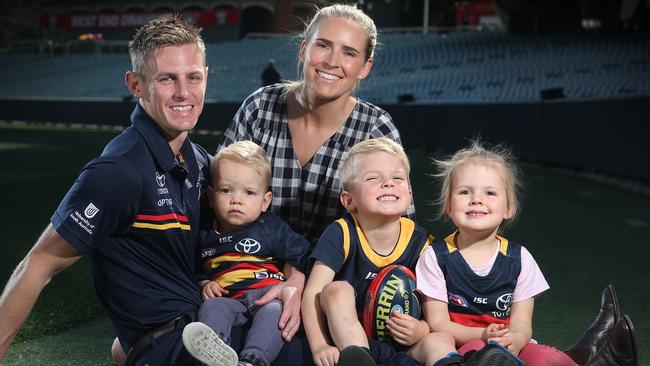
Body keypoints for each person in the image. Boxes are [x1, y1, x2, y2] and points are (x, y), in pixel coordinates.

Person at [0, 14, 263, 366]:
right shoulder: (119, 171)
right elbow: (40, 262)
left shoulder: (198, 160)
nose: (184, 92)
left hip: (210, 327)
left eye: (193, 77)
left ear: (206, 79)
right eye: (167, 79)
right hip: (172, 349)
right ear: (136, 85)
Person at [415, 140, 639, 366]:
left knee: (547, 356)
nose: (477, 199)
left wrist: (517, 338)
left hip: (512, 345)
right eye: (464, 192)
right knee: (481, 354)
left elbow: (522, 322)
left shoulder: (519, 258)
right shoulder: (436, 257)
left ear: (509, 208)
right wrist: (483, 336)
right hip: (463, 349)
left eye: (490, 192)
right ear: (448, 207)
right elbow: (439, 324)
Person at [302, 138, 523, 366]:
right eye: (373, 178)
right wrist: (320, 345)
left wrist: (420, 330)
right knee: (335, 290)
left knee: (439, 338)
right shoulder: (341, 233)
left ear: (409, 194)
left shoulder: (423, 244)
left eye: (397, 178)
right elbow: (313, 295)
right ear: (349, 200)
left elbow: (435, 313)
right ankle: (360, 358)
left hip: (406, 347)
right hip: (352, 345)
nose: (388, 183)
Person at [219, 3, 415, 247]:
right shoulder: (260, 107)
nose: (332, 61)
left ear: (365, 67)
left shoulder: (375, 129)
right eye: (323, 45)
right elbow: (216, 193)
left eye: (349, 53)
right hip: (250, 267)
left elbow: (398, 222)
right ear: (304, 50)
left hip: (337, 276)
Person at [181, 140, 311, 366]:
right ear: (211, 197)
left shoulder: (269, 227)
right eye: (226, 190)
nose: (236, 200)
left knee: (274, 311)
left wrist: (292, 279)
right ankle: (215, 355)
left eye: (249, 193)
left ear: (265, 201)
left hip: (266, 292)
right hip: (228, 297)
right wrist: (204, 284)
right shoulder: (203, 236)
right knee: (212, 307)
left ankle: (253, 359)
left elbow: (304, 254)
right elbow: (191, 270)